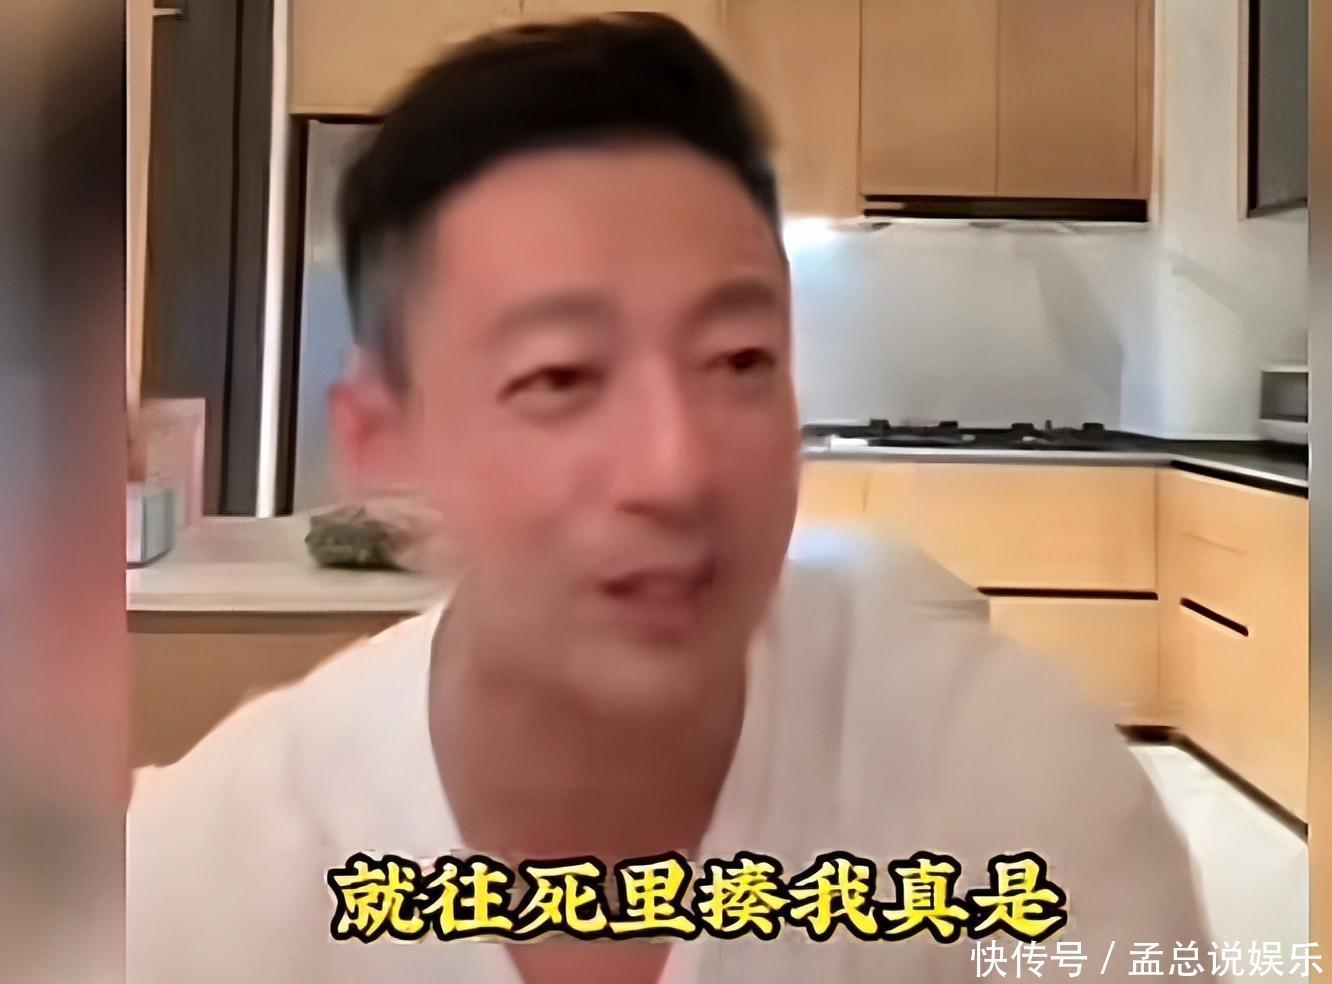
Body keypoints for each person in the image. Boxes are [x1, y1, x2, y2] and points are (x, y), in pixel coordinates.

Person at [127, 13, 1212, 983]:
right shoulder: (204, 885)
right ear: (381, 438)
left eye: (740, 361)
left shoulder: (1001, 797)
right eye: (561, 377)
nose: (676, 470)